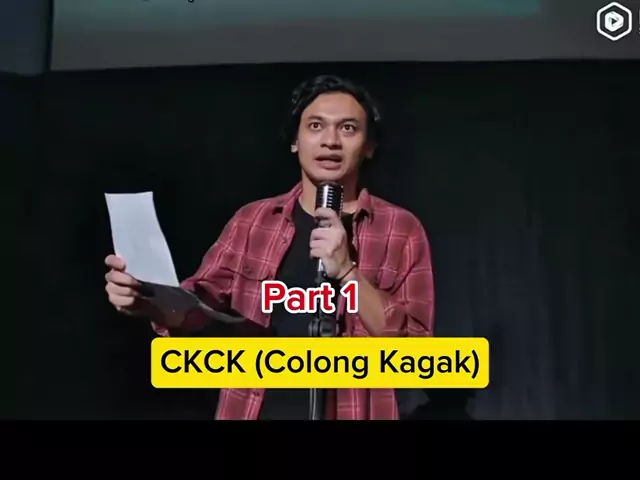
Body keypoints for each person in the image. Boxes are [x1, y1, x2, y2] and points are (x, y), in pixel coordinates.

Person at [104, 74, 435, 420]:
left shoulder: (400, 229)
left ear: (369, 146)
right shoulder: (253, 221)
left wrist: (348, 272)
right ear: (295, 141)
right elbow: (199, 308)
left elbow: (415, 352)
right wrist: (148, 300)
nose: (330, 141)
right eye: (316, 126)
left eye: (348, 128)